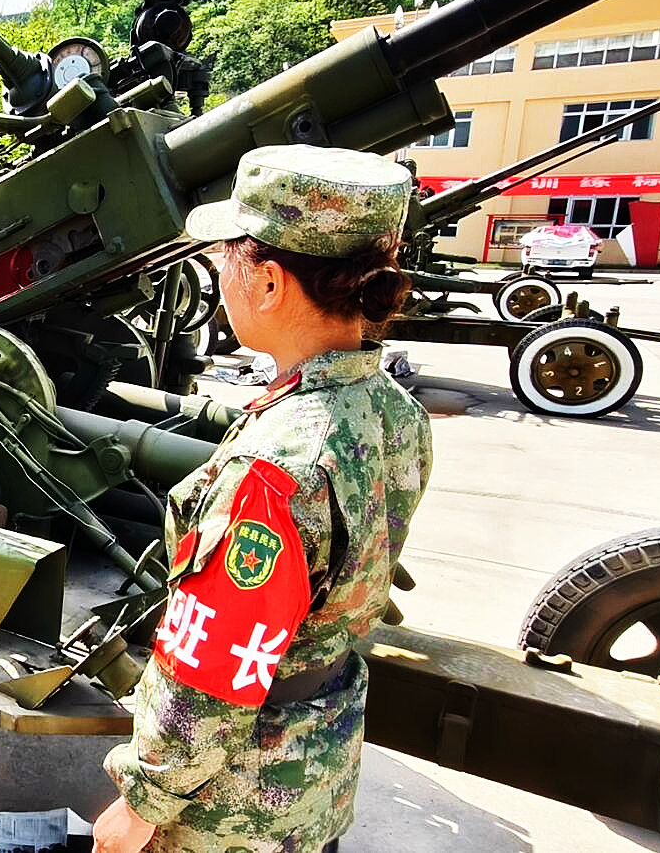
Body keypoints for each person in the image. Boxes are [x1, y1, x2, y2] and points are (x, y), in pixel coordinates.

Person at [94, 145, 434, 853]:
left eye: (227, 258)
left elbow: (211, 668)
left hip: (227, 806)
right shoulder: (390, 408)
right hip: (312, 765)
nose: (219, 276)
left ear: (271, 283)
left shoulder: (272, 465)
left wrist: (141, 803)